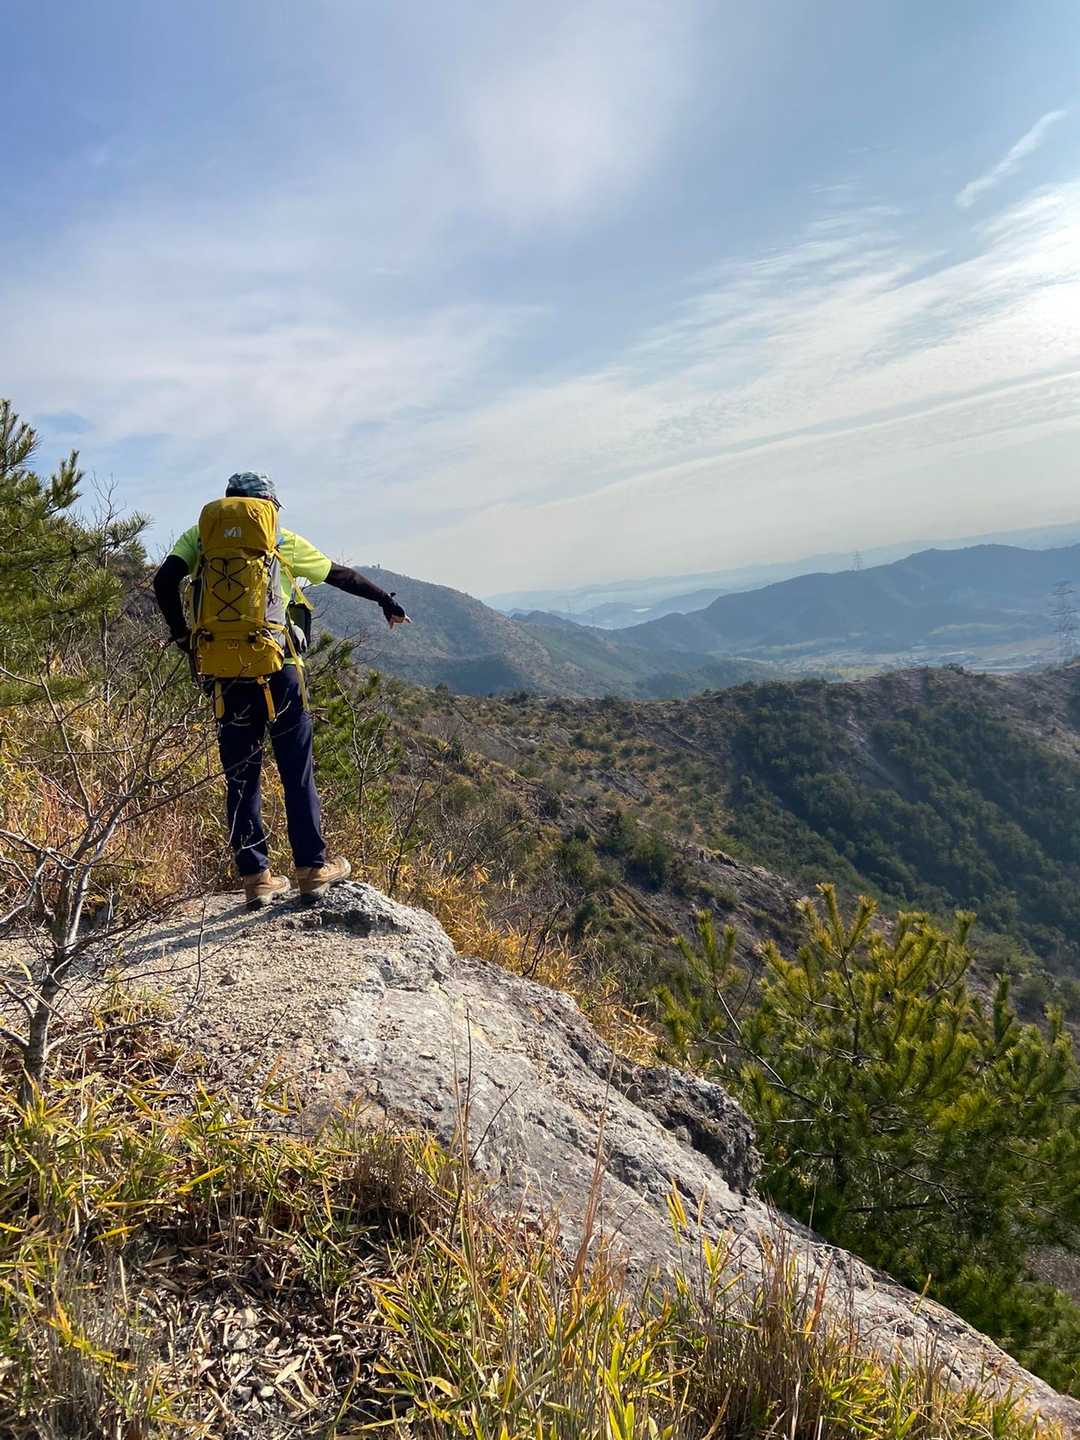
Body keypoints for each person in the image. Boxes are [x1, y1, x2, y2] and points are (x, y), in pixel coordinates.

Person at [153, 471, 409, 907]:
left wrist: (185, 640)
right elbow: (339, 575)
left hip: (226, 671)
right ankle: (312, 868)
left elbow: (164, 583)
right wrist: (386, 599)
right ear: (268, 505)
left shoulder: (199, 537)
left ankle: (256, 877)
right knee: (296, 769)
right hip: (280, 669)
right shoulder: (278, 537)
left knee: (241, 774)